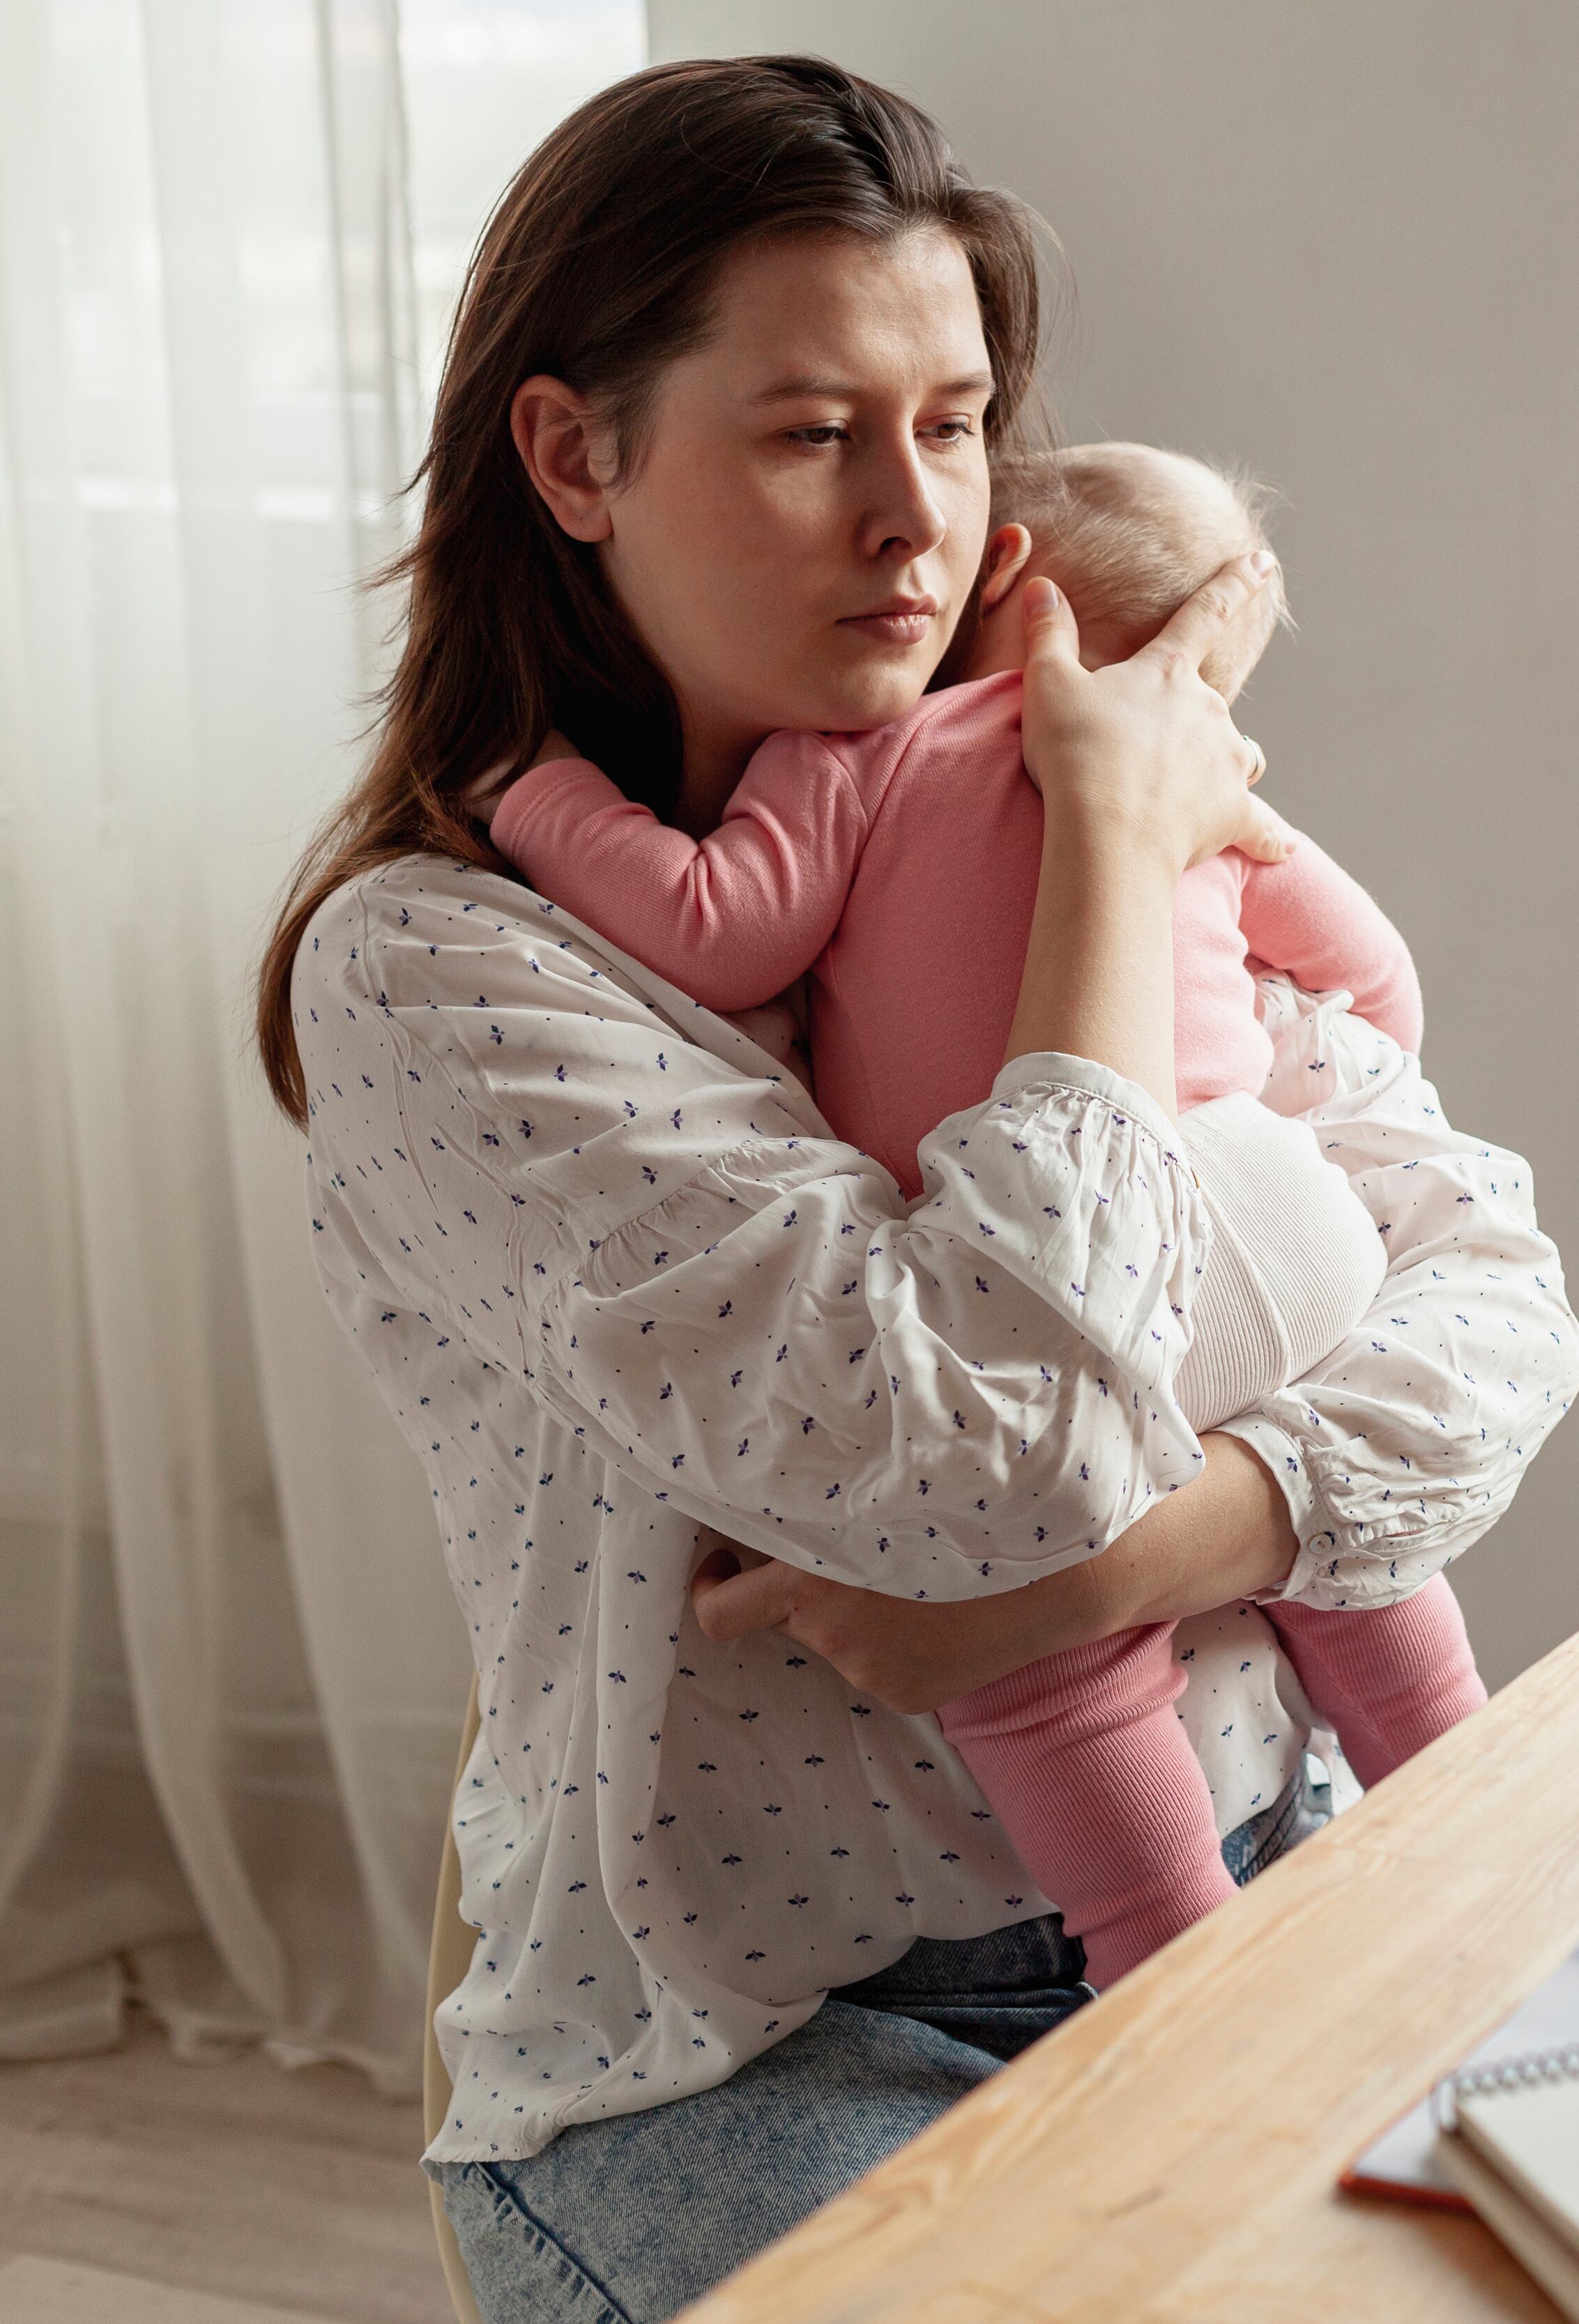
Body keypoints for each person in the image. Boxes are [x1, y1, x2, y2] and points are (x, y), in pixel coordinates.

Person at [250, 54, 1575, 2324]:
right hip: (764, 2047)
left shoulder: (1020, 780)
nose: (915, 516)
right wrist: (1122, 861)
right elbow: (994, 1467)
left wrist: (1179, 1550)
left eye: (954, 424)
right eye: (810, 431)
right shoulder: (448, 965)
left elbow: (1497, 1307)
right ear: (571, 456)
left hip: (1291, 1855)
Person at [483, 443, 1483, 1982]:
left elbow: (713, 928)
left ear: (997, 570)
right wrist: (1273, 1069)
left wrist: (536, 793)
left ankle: (1164, 1958)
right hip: (1283, 1205)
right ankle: (1479, 1816)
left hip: (1096, 1236)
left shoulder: (868, 748)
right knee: (1360, 1570)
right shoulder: (1199, 780)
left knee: (1038, 1645)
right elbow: (1380, 979)